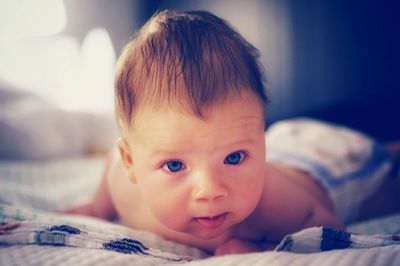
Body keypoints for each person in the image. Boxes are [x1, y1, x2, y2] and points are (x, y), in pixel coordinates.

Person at [63, 10, 398, 255]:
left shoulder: (273, 204)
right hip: (288, 143)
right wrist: (97, 206)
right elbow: (110, 169)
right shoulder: (123, 184)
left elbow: (329, 225)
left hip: (330, 165)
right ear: (131, 162)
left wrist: (258, 245)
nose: (210, 191)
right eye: (175, 165)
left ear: (260, 146)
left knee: (387, 183)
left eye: (234, 157)